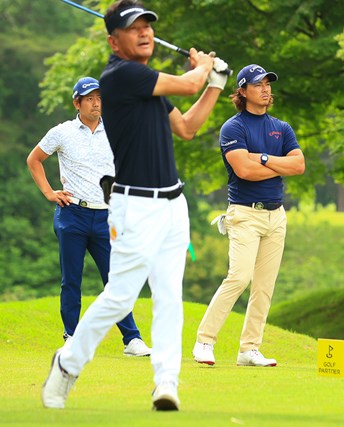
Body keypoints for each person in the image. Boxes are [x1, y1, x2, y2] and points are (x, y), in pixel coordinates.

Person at [42, 0, 228, 411]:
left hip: (173, 204)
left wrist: (214, 83)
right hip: (134, 206)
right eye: (134, 27)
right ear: (114, 41)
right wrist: (204, 66)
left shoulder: (149, 85)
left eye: (148, 25)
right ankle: (67, 364)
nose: (145, 32)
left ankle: (166, 383)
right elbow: (187, 84)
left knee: (168, 295)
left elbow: (187, 127)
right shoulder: (120, 76)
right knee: (120, 296)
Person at [27, 77, 151, 357]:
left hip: (106, 216)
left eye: (99, 98)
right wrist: (49, 192)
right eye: (90, 98)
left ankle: (132, 339)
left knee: (115, 279)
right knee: (71, 280)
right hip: (72, 214)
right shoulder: (62, 132)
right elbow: (34, 159)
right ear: (77, 103)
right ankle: (71, 336)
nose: (96, 103)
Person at [192, 64, 305, 367]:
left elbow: (298, 166)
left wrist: (264, 158)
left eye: (268, 83)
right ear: (242, 91)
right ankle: (204, 341)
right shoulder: (234, 127)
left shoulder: (282, 127)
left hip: (276, 216)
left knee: (264, 286)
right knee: (239, 277)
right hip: (244, 214)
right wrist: (275, 163)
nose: (266, 89)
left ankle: (249, 349)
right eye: (258, 84)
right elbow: (244, 170)